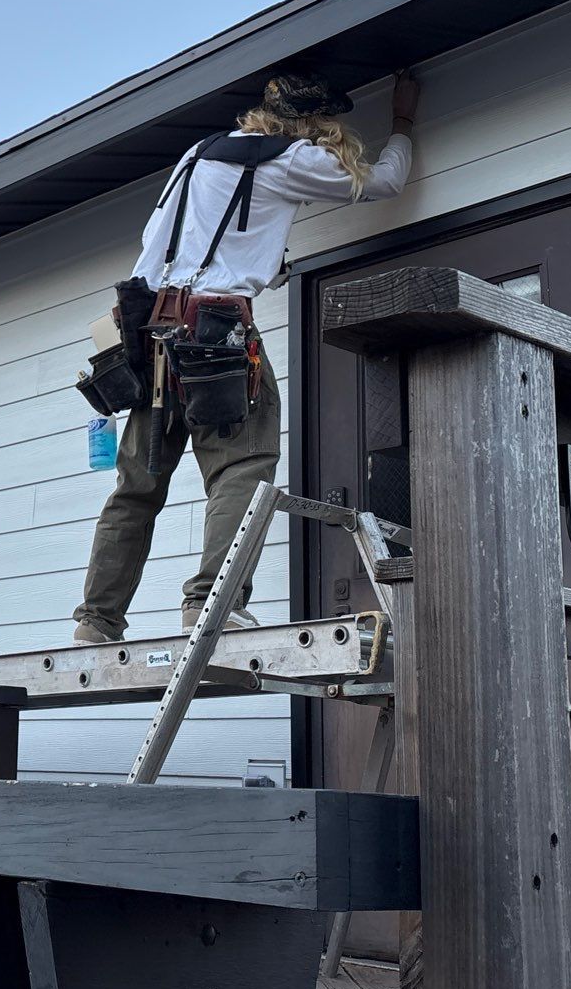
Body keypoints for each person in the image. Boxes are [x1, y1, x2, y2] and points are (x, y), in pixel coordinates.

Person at [71, 69, 419, 644]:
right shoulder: (292, 159)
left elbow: (161, 249)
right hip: (216, 331)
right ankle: (213, 604)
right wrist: (403, 120)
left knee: (136, 486)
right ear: (314, 124)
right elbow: (384, 183)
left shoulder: (197, 155)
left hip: (149, 330)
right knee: (242, 467)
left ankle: (96, 620)